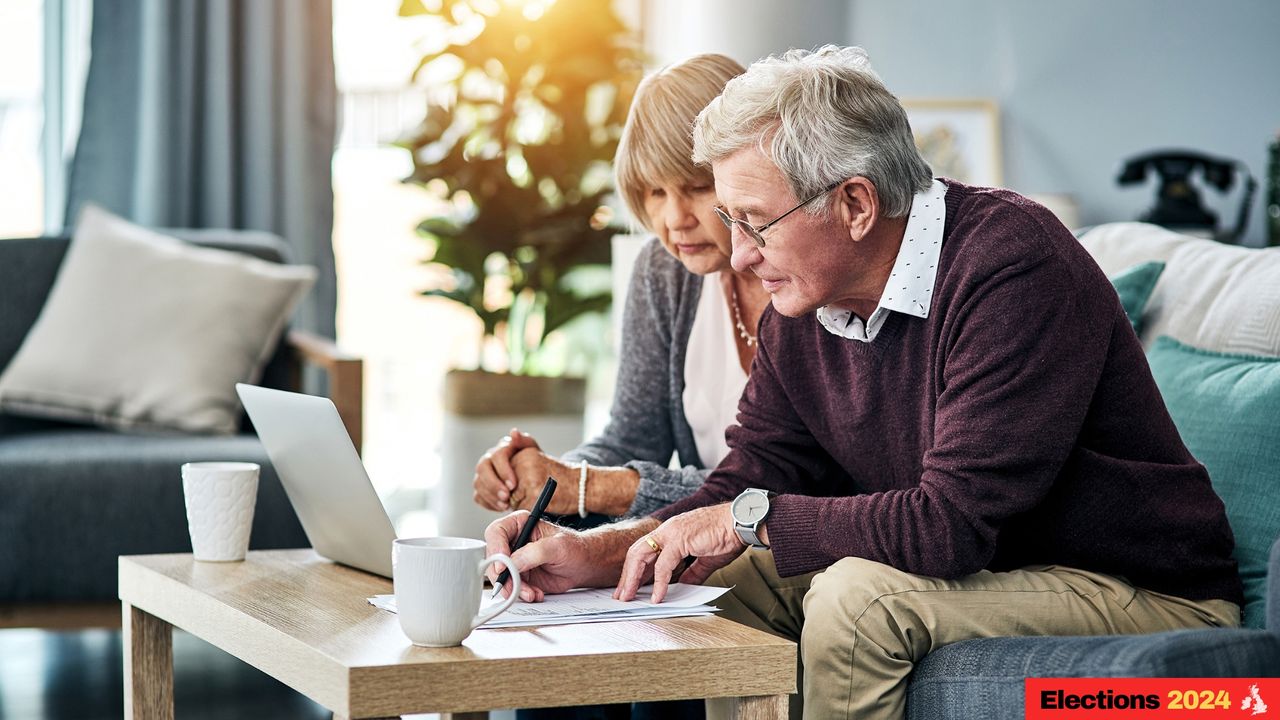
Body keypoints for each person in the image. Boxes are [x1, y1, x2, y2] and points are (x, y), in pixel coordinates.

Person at [484, 45, 1243, 720]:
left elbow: (951, 524)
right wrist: (612, 550)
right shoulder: (804, 302)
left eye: (755, 222)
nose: (740, 257)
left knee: (855, 598)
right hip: (996, 567)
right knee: (710, 593)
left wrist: (753, 519)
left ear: (854, 203)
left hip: (1141, 588)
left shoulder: (1011, 266)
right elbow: (752, 474)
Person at [472, 53, 767, 527]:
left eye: (696, 186)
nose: (675, 221)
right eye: (654, 193)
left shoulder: (806, 273)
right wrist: (545, 481)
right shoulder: (664, 270)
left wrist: (586, 487)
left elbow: (789, 489)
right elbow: (632, 439)